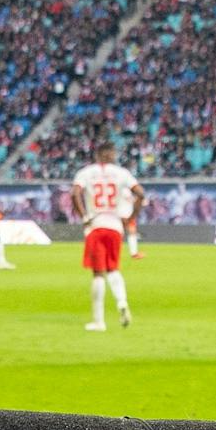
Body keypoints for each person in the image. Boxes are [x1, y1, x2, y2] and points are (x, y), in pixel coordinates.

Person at [71, 139, 141, 331]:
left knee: (98, 273)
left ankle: (98, 321)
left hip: (96, 225)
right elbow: (141, 193)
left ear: (97, 155)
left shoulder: (86, 172)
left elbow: (74, 193)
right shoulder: (122, 173)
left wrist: (84, 216)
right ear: (112, 155)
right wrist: (131, 218)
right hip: (115, 227)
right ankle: (122, 303)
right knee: (113, 269)